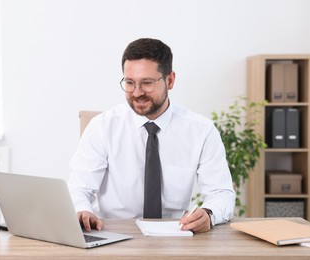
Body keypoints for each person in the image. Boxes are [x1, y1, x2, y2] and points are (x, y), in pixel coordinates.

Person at [68, 38, 235, 233]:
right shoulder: (102, 127)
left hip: (175, 235)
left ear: (170, 80)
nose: (137, 93)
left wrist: (209, 213)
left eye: (147, 83)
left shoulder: (201, 130)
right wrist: (82, 210)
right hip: (114, 233)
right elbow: (79, 187)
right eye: (130, 83)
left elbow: (221, 193)